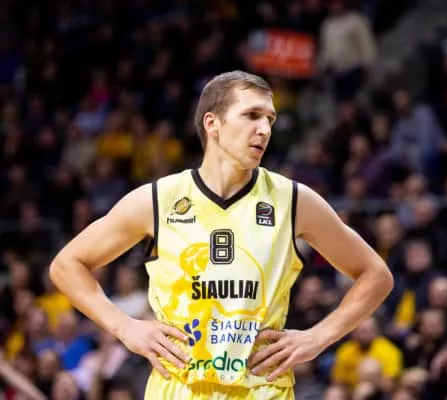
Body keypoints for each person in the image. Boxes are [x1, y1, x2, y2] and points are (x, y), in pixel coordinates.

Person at [48, 71, 394, 399]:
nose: (264, 129)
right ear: (212, 123)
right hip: (179, 389)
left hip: (261, 390)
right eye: (252, 115)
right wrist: (125, 327)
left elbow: (376, 275)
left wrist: (318, 338)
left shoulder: (293, 200)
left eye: (270, 120)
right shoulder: (158, 200)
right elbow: (66, 265)